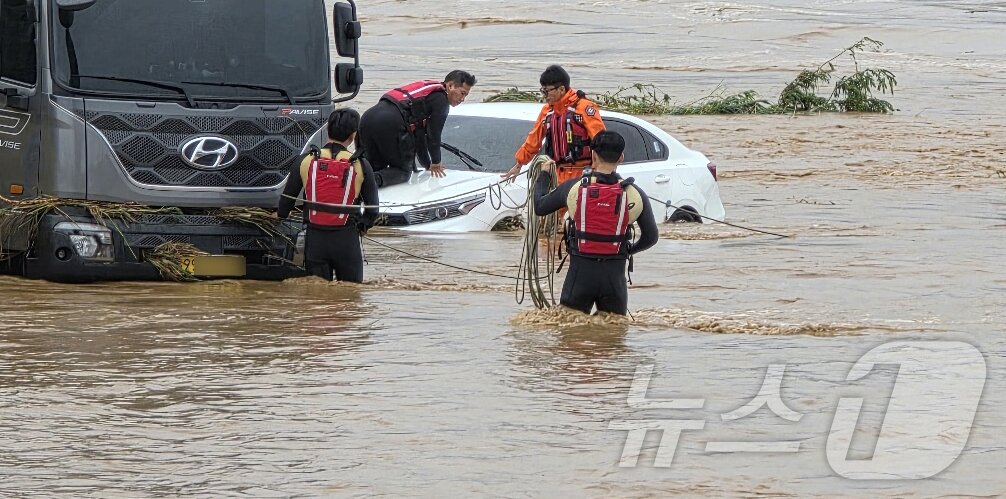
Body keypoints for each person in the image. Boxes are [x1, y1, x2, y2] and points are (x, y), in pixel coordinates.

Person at [532, 131, 658, 315]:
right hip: (615, 279)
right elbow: (651, 237)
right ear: (621, 157)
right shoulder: (635, 194)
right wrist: (628, 250)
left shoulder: (574, 187)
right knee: (613, 336)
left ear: (593, 155)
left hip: (580, 276)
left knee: (570, 335)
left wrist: (543, 175)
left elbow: (540, 206)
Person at [278, 108, 379, 283]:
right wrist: (362, 227)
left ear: (327, 130)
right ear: (353, 135)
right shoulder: (361, 164)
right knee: (350, 297)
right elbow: (373, 209)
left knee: (318, 299)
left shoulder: (306, 160)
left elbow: (286, 202)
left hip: (315, 241)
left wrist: (279, 215)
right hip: (347, 241)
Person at [359, 70, 477, 187]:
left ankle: (356, 183)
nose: (463, 99)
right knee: (403, 172)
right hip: (390, 123)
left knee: (373, 167)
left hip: (367, 118)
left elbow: (420, 137)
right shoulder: (441, 100)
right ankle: (368, 183)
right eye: (463, 93)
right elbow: (433, 136)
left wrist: (427, 165)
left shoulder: (429, 95)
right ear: (450, 86)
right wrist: (436, 162)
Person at [502, 64, 605, 185]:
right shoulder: (547, 112)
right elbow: (533, 141)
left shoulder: (584, 108)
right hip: (556, 175)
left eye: (547, 91)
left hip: (582, 175)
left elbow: (602, 142)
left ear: (561, 89)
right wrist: (519, 163)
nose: (544, 95)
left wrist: (601, 173)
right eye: (542, 91)